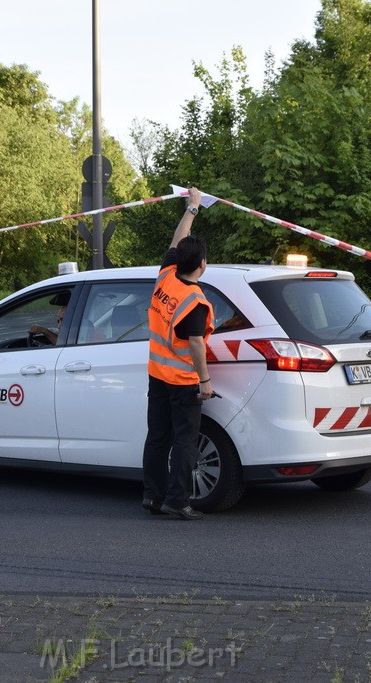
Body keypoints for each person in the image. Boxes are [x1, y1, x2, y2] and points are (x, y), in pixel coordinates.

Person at [141, 188, 215, 521]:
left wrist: (193, 207)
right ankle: (178, 500)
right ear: (201, 265)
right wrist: (205, 381)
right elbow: (196, 343)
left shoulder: (166, 276)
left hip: (157, 373)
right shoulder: (195, 302)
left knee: (157, 438)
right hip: (184, 380)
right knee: (185, 442)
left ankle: (153, 497)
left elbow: (178, 236)